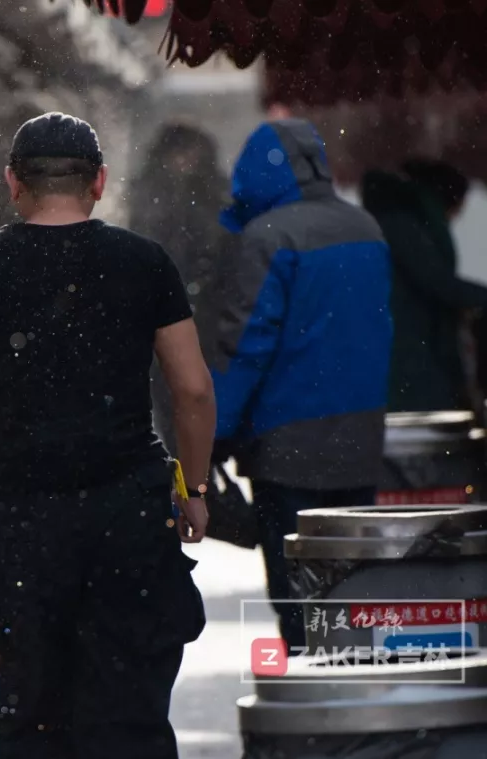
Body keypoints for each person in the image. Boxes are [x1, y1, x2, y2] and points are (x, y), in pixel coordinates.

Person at [0, 112, 212, 759]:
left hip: (25, 516)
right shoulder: (143, 263)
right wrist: (195, 485)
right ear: (98, 182)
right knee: (130, 712)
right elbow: (191, 388)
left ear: (12, 182)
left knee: (32, 713)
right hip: (129, 508)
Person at [215, 119, 393, 649]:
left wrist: (214, 435)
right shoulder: (367, 229)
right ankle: (360, 706)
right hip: (361, 442)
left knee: (300, 599)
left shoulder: (270, 238)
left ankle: (312, 709)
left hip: (289, 450)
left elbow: (245, 346)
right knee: (354, 594)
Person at [129, 123, 235, 457]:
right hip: (172, 325)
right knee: (176, 421)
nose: (184, 162)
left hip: (201, 323)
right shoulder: (154, 197)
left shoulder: (209, 198)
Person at [361, 158, 487, 413]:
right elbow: (436, 281)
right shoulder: (404, 225)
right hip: (411, 360)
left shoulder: (401, 222)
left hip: (409, 353)